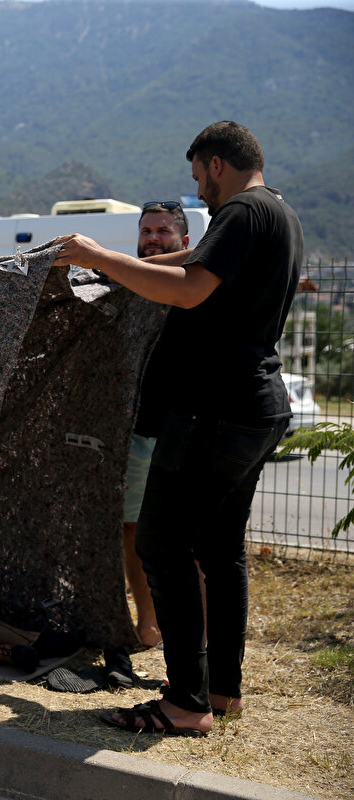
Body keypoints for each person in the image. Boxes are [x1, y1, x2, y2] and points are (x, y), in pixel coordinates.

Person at [55, 121, 302, 736]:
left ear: (217, 164)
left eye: (198, 179)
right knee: (220, 552)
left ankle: (185, 704)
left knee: (160, 545)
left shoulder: (241, 210)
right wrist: (115, 268)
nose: (199, 193)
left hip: (213, 413)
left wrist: (94, 255)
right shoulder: (277, 214)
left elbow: (191, 290)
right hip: (254, 406)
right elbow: (193, 259)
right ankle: (221, 691)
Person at [123, 200, 193, 648]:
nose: (152, 238)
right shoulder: (126, 285)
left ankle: (192, 631)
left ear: (184, 242)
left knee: (189, 537)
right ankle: (148, 623)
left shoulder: (198, 284)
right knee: (132, 529)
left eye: (163, 231)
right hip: (134, 431)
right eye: (147, 231)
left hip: (186, 431)